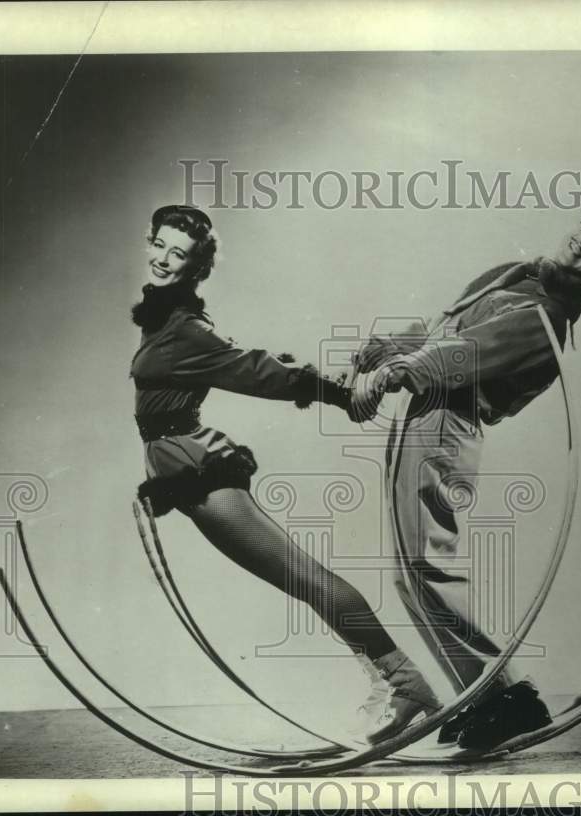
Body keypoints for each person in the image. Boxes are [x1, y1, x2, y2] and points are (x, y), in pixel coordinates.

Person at [130, 204, 440, 744]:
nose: (162, 258)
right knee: (302, 580)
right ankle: (398, 681)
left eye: (177, 253)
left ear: (196, 267)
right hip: (185, 469)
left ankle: (404, 683)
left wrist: (341, 394)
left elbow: (261, 370)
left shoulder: (185, 330)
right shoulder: (165, 318)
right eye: (159, 244)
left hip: (198, 471)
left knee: (306, 578)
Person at [352, 197, 581, 750]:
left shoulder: (549, 314)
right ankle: (484, 696)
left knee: (424, 569)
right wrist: (390, 346)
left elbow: (469, 351)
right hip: (426, 414)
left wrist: (406, 366)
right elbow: (443, 325)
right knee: (411, 574)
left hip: (447, 419)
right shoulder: (516, 279)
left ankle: (507, 698)